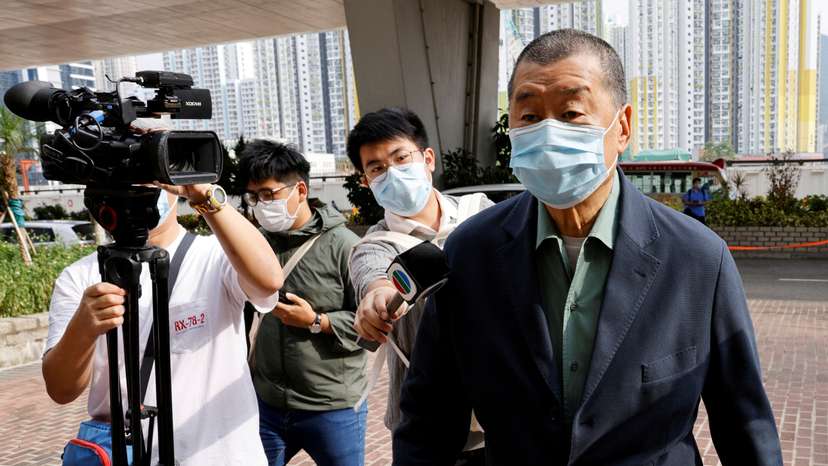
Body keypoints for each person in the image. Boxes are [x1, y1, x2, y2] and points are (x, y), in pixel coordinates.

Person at [393, 29, 782, 465]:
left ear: (623, 127)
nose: (547, 133)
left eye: (572, 112)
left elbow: (743, 423)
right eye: (529, 116)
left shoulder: (697, 259)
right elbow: (429, 419)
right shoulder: (471, 252)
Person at [43, 176, 283, 462]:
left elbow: (269, 280)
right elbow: (61, 389)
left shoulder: (215, 256)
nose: (139, 191)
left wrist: (202, 193)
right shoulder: (80, 277)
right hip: (130, 456)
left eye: (150, 178)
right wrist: (83, 328)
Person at [347, 107, 493, 465]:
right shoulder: (376, 244)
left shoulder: (481, 214)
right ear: (366, 181)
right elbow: (375, 278)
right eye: (377, 168)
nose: (391, 172)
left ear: (427, 158)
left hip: (501, 416)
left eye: (400, 157)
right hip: (427, 427)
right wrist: (377, 298)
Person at [239, 139, 367, 466]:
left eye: (269, 194)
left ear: (300, 190)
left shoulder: (345, 246)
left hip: (332, 405)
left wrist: (317, 321)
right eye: (254, 197)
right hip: (267, 404)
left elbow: (371, 327)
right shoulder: (256, 244)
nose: (261, 204)